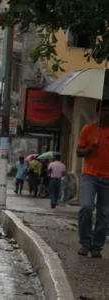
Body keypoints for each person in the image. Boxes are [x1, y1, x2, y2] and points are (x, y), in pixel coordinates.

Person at [77, 100, 109, 258]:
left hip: (107, 178)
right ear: (98, 111)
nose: (106, 113)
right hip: (89, 175)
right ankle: (85, 242)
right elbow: (78, 152)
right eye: (103, 110)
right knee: (87, 207)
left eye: (108, 110)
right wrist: (90, 149)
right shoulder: (88, 130)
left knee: (104, 213)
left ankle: (97, 246)